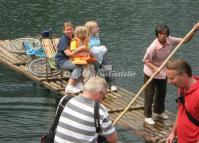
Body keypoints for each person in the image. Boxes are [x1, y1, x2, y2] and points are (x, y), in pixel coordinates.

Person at [143, 24, 196, 125]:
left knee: (161, 93)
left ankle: (159, 112)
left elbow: (184, 40)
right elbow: (146, 61)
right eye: (160, 34)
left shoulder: (170, 40)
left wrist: (193, 31)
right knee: (149, 94)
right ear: (157, 34)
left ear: (167, 35)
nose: (163, 36)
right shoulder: (153, 47)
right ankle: (148, 116)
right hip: (151, 72)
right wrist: (155, 68)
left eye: (165, 34)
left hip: (163, 72)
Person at [54, 76, 118, 143]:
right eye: (104, 96)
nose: (103, 99)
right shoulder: (100, 110)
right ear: (99, 93)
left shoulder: (65, 100)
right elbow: (113, 140)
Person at [166, 59, 199, 143]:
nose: (169, 82)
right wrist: (173, 132)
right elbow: (181, 111)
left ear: (183, 75)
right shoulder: (182, 89)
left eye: (172, 78)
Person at [85, 21, 117, 92]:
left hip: (100, 54)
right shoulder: (86, 38)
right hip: (92, 55)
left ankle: (112, 84)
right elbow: (86, 48)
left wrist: (102, 47)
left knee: (108, 66)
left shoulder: (96, 35)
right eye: (96, 27)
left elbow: (97, 45)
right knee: (97, 70)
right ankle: (98, 86)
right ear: (90, 29)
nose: (98, 28)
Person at [55, 21, 83, 94]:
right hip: (61, 61)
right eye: (67, 29)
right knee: (78, 66)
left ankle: (79, 83)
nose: (69, 31)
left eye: (70, 29)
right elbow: (68, 53)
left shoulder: (74, 37)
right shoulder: (63, 40)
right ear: (64, 31)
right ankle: (69, 87)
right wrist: (81, 55)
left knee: (84, 64)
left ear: (73, 29)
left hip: (71, 60)